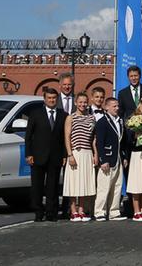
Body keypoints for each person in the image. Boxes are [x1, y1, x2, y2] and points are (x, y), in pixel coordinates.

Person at [25, 87, 67, 222]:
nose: (52, 100)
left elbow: (65, 137)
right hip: (37, 156)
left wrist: (65, 155)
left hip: (55, 156)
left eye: (54, 98)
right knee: (37, 186)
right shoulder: (35, 113)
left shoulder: (63, 115)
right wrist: (28, 154)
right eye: (49, 98)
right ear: (45, 99)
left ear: (57, 99)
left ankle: (51, 212)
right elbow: (28, 136)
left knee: (53, 187)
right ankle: (38, 211)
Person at [63, 91, 96, 221]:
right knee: (73, 183)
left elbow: (94, 138)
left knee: (84, 183)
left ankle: (81, 210)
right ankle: (73, 211)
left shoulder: (91, 118)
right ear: (76, 103)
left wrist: (95, 154)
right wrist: (70, 154)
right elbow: (67, 136)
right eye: (80, 102)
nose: (83, 104)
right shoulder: (70, 117)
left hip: (87, 153)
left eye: (85, 102)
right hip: (76, 152)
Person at [93, 97, 127, 221]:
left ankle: (114, 211)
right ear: (106, 107)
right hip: (107, 157)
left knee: (117, 185)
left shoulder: (120, 121)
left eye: (117, 106)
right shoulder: (102, 122)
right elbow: (99, 142)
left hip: (117, 157)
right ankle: (99, 211)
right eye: (114, 106)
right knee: (104, 186)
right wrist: (103, 159)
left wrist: (123, 156)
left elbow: (121, 142)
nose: (117, 108)